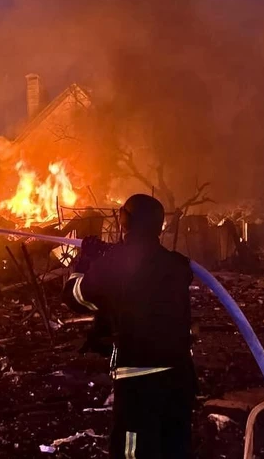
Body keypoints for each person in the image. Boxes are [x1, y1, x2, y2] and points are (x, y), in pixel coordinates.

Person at [62, 194, 196, 459]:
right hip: (179, 377)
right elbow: (144, 269)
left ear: (125, 221)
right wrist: (108, 255)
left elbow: (75, 298)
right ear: (159, 226)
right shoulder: (177, 264)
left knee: (133, 452)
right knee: (174, 448)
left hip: (139, 381)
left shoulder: (114, 264)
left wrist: (84, 263)